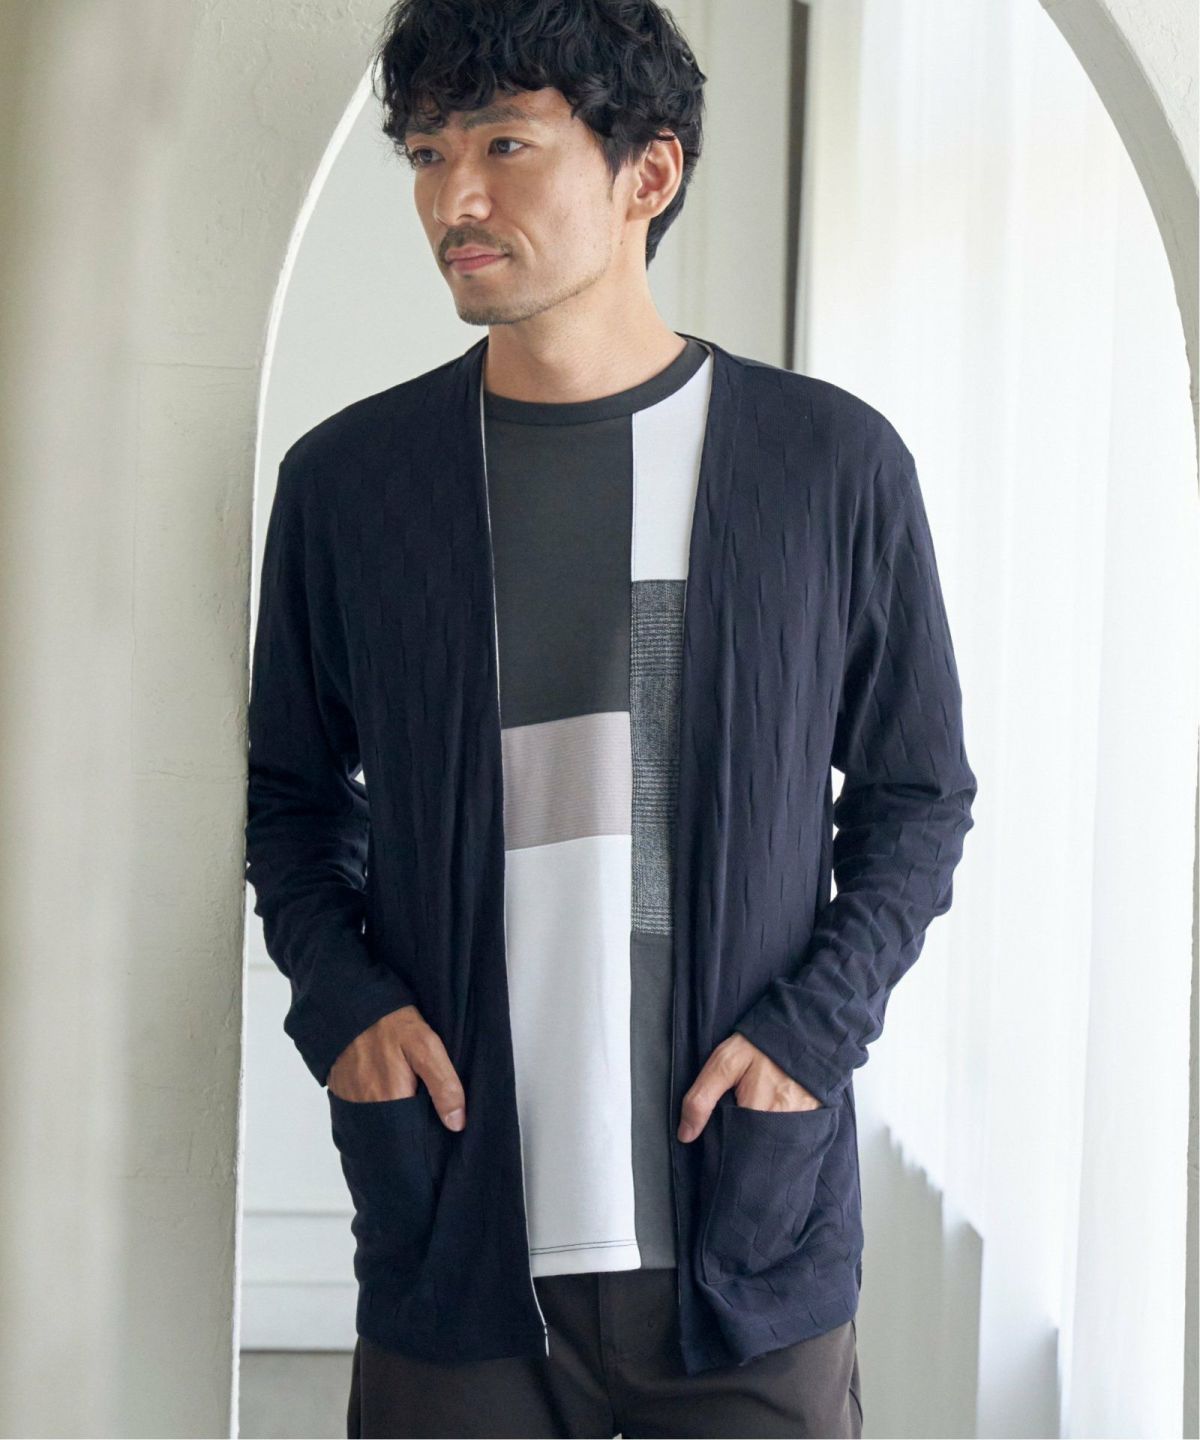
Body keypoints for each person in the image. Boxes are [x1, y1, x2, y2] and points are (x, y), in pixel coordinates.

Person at [243, 2, 977, 1436]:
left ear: (648, 171)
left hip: (741, 1233)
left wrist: (810, 1037)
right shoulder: (351, 486)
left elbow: (915, 797)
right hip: (455, 1229)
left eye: (503, 146)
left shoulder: (829, 467)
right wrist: (348, 1010)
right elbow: (291, 798)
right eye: (426, 153)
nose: (452, 198)